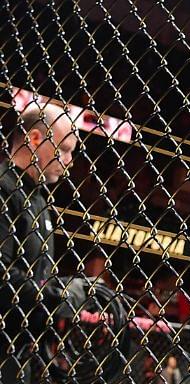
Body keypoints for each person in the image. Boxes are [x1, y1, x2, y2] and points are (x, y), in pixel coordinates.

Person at [0, 101, 85, 383]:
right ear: (35, 139)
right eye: (63, 149)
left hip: (19, 352)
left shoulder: (38, 200)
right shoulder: (4, 189)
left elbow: (34, 278)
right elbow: (4, 278)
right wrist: (59, 295)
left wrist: (65, 288)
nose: (69, 160)